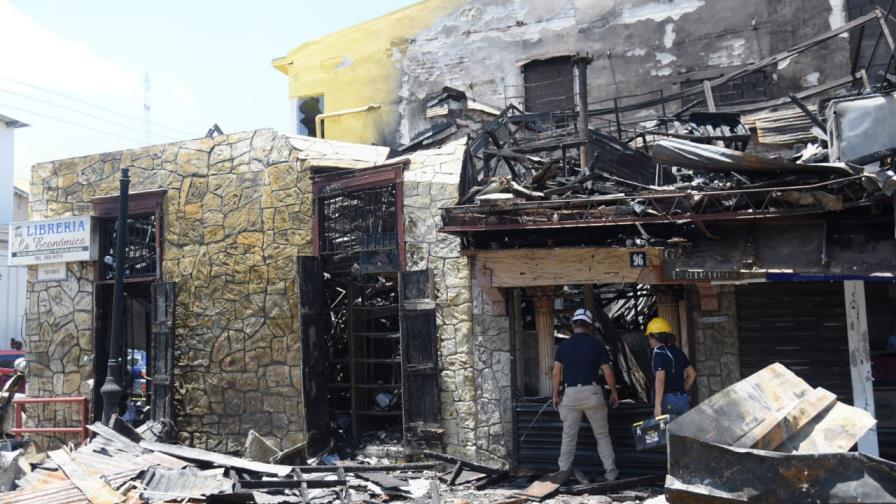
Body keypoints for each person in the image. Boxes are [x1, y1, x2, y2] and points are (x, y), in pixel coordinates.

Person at [552, 308, 619, 483]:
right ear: (589, 326)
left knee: (568, 436)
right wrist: (613, 392)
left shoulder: (563, 346)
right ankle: (610, 473)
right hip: (593, 393)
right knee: (602, 436)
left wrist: (555, 395)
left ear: (574, 325)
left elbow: (555, 373)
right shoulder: (597, 345)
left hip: (571, 393)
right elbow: (607, 372)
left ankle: (563, 470)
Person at [645, 317, 697, 417]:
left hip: (668, 401)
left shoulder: (658, 352)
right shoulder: (677, 350)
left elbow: (660, 379)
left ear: (656, 337)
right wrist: (681, 390)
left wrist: (657, 406)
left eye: (650, 337)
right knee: (683, 432)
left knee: (668, 432)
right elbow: (692, 374)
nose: (649, 341)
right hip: (683, 399)